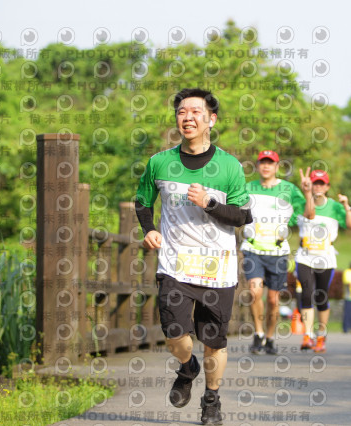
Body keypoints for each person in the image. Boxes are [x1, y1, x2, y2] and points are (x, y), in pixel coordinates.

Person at [135, 88, 252, 425]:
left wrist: (210, 205)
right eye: (182, 111)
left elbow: (243, 216)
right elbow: (143, 200)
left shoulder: (228, 166)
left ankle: (211, 399)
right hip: (175, 264)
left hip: (218, 269)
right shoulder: (160, 162)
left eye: (196, 112)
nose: (187, 117)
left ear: (211, 120)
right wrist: (148, 229)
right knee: (174, 333)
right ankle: (187, 368)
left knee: (214, 341)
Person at [240, 150, 310, 355]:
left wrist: (307, 194)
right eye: (263, 162)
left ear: (277, 167)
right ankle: (259, 334)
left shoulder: (289, 189)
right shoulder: (248, 188)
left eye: (270, 163)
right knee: (255, 292)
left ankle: (270, 336)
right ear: (258, 165)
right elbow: (233, 210)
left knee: (273, 300)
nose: (266, 166)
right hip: (252, 249)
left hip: (278, 252)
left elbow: (309, 214)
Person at [295, 169, 351, 353]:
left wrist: (346, 206)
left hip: (325, 258)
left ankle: (321, 334)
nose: (319, 186)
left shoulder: (335, 207)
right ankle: (308, 334)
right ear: (311, 185)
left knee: (321, 297)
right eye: (315, 183)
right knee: (306, 294)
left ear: (328, 186)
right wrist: (307, 194)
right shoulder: (302, 201)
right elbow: (310, 215)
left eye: (322, 183)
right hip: (305, 256)